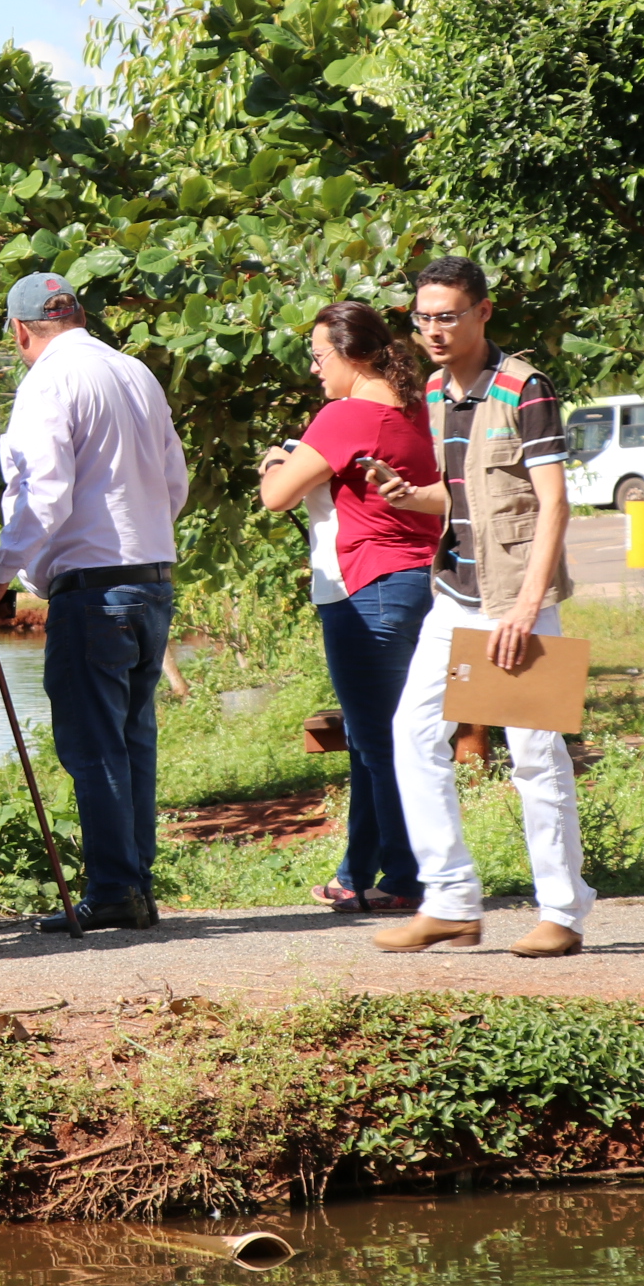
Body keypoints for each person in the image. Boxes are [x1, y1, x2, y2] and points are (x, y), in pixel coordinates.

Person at [370, 255, 594, 957]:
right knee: (411, 733)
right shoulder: (438, 391)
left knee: (534, 755)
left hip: (515, 600)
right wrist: (411, 497)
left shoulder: (524, 387)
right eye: (422, 317)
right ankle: (453, 901)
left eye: (448, 316)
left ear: (482, 313)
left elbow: (553, 500)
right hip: (455, 594)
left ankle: (562, 913)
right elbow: (464, 491)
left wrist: (527, 606)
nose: (433, 330)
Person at [0, 272, 191, 932]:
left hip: (94, 589)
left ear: (19, 331)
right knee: (133, 739)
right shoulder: (133, 372)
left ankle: (114, 889)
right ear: (80, 315)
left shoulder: (47, 382)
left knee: (94, 745)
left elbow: (45, 492)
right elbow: (174, 481)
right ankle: (135, 884)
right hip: (152, 576)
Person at [257, 302, 441, 916]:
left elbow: (277, 497)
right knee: (372, 739)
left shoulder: (344, 415)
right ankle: (357, 873)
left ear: (352, 355)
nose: (314, 370)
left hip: (367, 587)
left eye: (319, 357)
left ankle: (410, 879)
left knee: (383, 744)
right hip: (418, 582)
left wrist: (276, 459)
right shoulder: (414, 408)